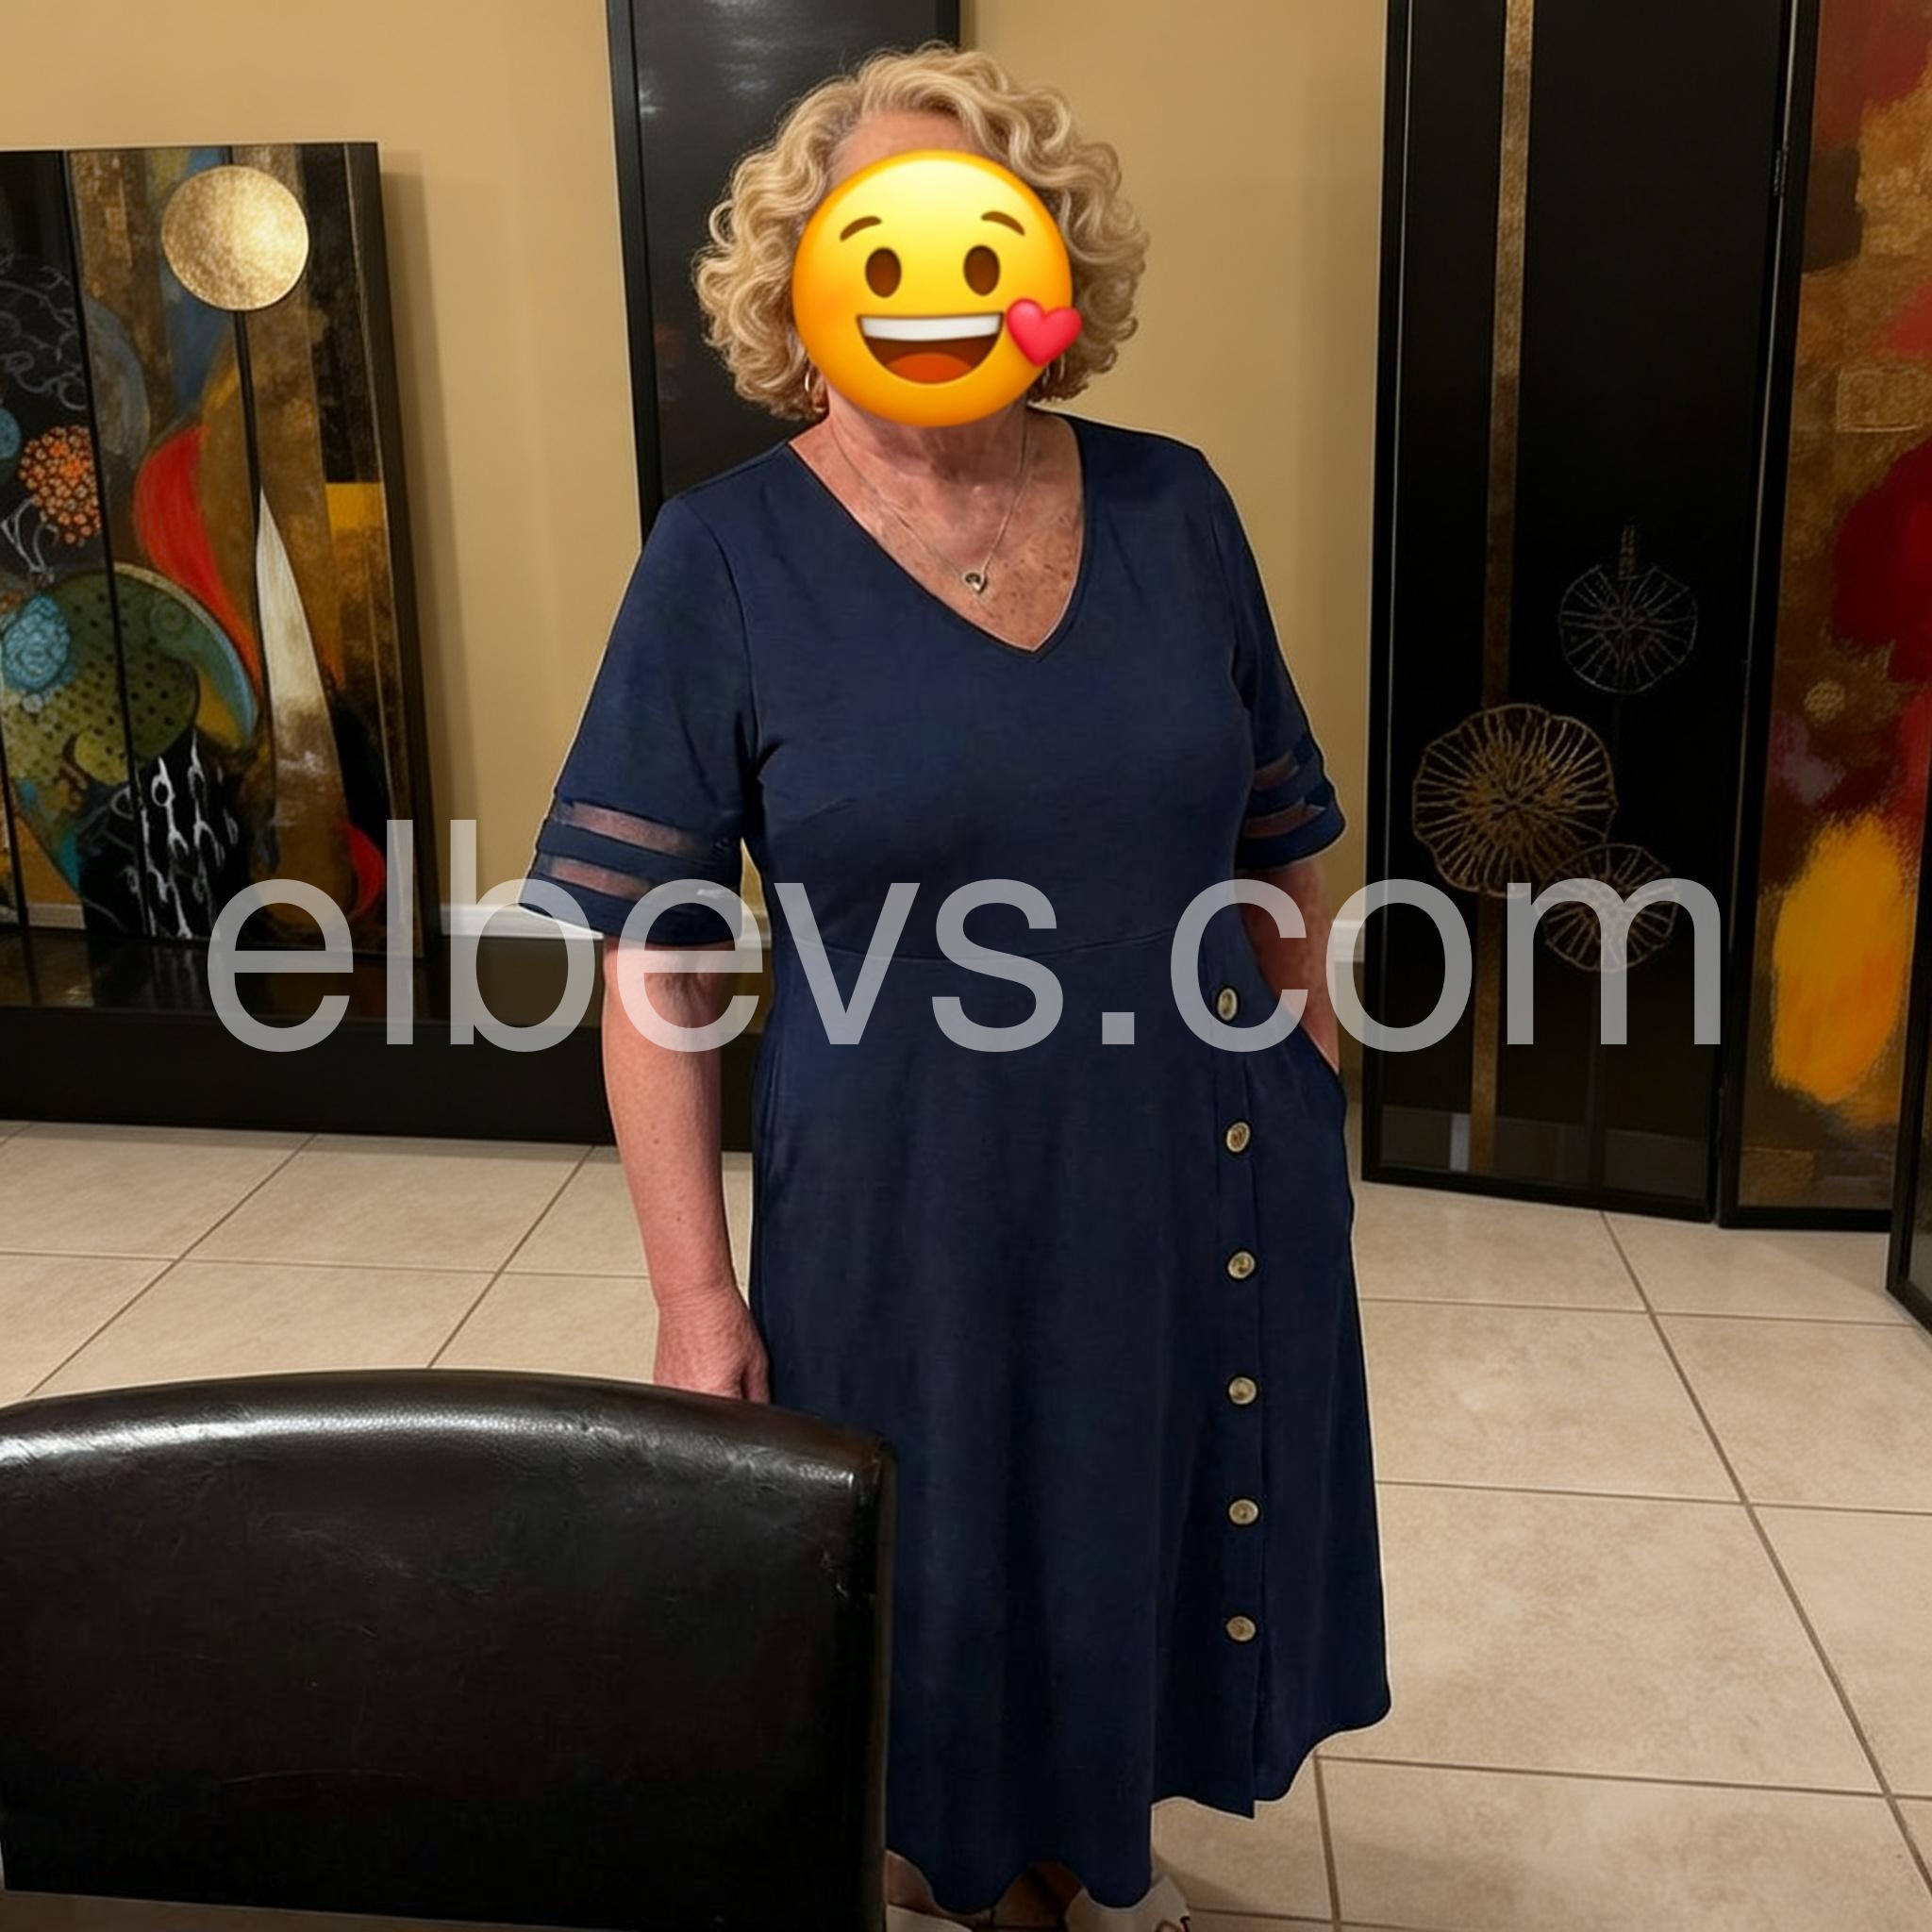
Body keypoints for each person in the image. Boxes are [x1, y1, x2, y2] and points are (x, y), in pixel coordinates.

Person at [525, 43, 1389, 1932]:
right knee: (946, 1585)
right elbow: (652, 948)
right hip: (905, 1197)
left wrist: (1307, 1106)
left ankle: (1087, 1857)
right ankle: (976, 1863)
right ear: (799, 279)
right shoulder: (724, 556)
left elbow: (1277, 845)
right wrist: (694, 1300)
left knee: (1145, 1531)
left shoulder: (1173, 507)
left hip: (1190, 1162)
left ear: (1051, 275)